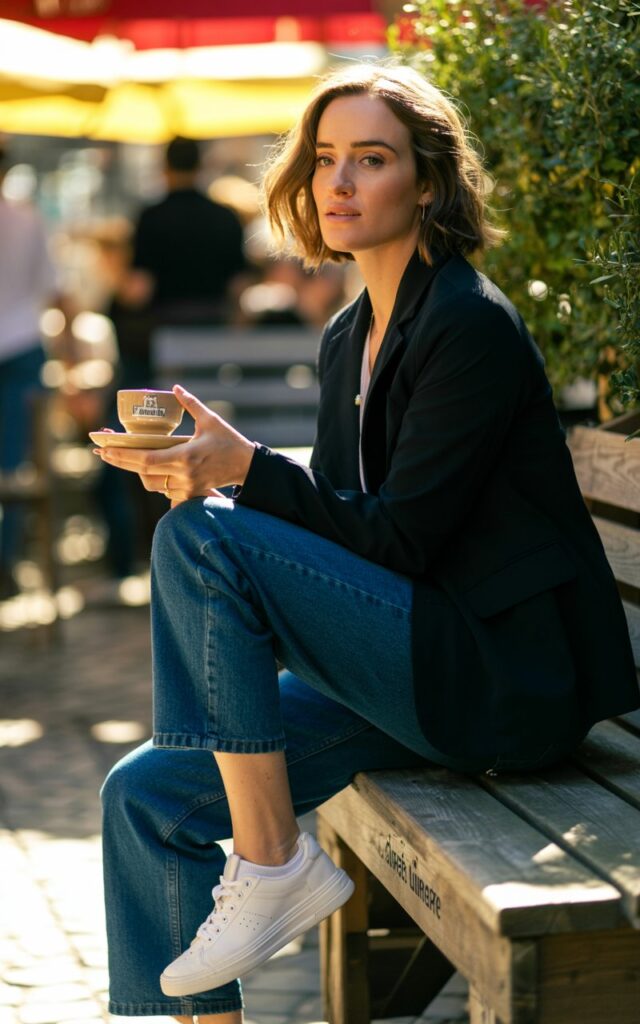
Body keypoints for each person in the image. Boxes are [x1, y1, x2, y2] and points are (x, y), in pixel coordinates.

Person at [96, 63, 639, 1023]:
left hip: (497, 682)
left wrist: (243, 472)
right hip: (408, 664)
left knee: (199, 541)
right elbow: (342, 512)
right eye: (326, 160)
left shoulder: (468, 324)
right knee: (143, 796)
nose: (338, 183)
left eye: (372, 160)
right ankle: (236, 948)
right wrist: (212, 469)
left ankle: (271, 861)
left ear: (427, 183)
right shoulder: (351, 333)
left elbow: (402, 538)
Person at [0, 143, 59, 597]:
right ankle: (5, 559)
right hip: (21, 345)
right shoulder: (27, 219)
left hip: (21, 346)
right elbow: (52, 291)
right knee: (16, 465)